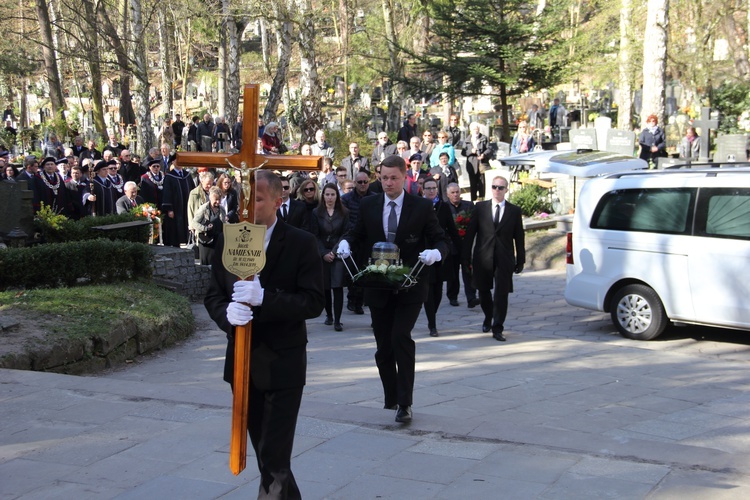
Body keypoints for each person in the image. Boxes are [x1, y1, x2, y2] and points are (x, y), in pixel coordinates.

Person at [204, 170, 324, 499]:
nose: (248, 206)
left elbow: (314, 302)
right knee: (267, 458)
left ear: (277, 201)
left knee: (274, 457)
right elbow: (213, 294)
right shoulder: (228, 239)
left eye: (256, 199)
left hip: (283, 365)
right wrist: (227, 316)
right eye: (245, 198)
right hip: (242, 367)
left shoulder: (301, 243)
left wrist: (265, 299)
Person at [337, 154, 448, 423]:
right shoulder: (368, 205)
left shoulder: (421, 207)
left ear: (404, 177)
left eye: (394, 178)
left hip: (410, 284)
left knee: (401, 337)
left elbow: (442, 240)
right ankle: (392, 396)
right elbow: (356, 233)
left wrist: (436, 253)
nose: (388, 183)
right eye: (384, 178)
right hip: (377, 285)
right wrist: (345, 243)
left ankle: (405, 403)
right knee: (383, 346)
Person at [463, 175, 525, 341]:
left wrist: (521, 259)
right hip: (483, 256)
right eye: (494, 187)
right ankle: (488, 316)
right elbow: (470, 234)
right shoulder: (480, 208)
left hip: (504, 258)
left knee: (501, 293)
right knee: (483, 291)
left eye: (501, 187)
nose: (497, 190)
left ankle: (498, 327)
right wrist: (465, 257)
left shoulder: (514, 211)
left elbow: (519, 237)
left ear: (506, 190)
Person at [420, 177, 460, 337]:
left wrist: (461, 251)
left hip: (441, 252)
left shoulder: (443, 207)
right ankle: (432, 324)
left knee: (438, 290)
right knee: (428, 289)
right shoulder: (419, 206)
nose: (431, 191)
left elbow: (451, 229)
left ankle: (433, 316)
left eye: (433, 188)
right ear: (423, 190)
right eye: (428, 188)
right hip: (424, 252)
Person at [311, 183, 349, 331]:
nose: (330, 197)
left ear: (337, 196)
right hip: (323, 253)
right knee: (326, 287)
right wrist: (323, 253)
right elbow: (315, 234)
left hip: (337, 252)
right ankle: (329, 315)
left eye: (333, 194)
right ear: (323, 195)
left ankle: (338, 320)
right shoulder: (316, 212)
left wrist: (334, 251)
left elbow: (345, 233)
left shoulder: (344, 212)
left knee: (337, 286)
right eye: (327, 194)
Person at [341, 171, 376, 315]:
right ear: (355, 183)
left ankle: (359, 301)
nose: (363, 185)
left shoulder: (375, 198)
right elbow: (344, 219)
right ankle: (351, 298)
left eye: (365, 182)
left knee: (365, 270)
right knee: (351, 270)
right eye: (360, 182)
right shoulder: (346, 199)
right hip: (351, 237)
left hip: (368, 239)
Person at [445, 182, 478, 308]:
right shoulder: (444, 207)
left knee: (468, 271)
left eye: (457, 192)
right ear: (448, 194)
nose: (455, 195)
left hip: (466, 245)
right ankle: (452, 296)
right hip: (451, 246)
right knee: (452, 273)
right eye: (452, 193)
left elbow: (474, 223)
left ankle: (471, 297)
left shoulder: (469, 205)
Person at [161, 159, 196, 247]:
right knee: (176, 227)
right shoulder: (169, 176)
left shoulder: (187, 175)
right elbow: (167, 194)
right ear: (173, 162)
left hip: (187, 206)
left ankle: (189, 243)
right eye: (177, 161)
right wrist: (169, 209)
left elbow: (193, 189)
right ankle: (176, 245)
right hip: (176, 208)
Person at [191, 186, 227, 265]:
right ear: (210, 198)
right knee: (206, 265)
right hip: (206, 241)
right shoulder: (203, 208)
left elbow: (224, 223)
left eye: (219, 199)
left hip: (218, 241)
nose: (218, 202)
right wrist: (205, 228)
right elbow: (194, 223)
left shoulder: (222, 209)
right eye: (216, 200)